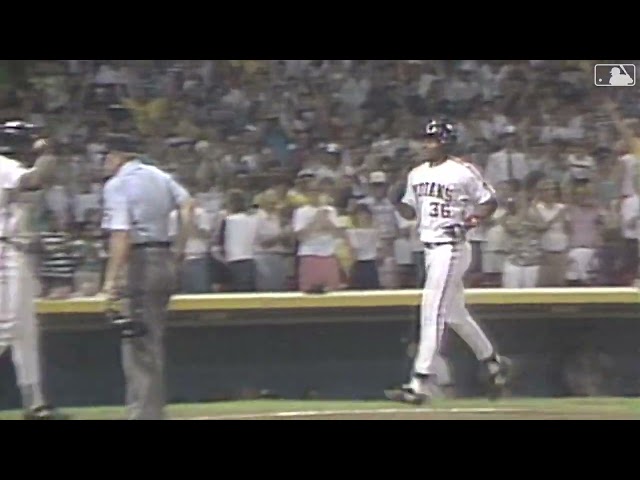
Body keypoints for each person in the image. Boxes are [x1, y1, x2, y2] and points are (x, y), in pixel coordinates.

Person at [385, 120, 511, 405]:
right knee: (455, 314)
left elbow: (489, 201)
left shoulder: (462, 170)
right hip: (430, 248)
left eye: (433, 140)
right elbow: (410, 213)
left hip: (451, 246)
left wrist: (472, 220)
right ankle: (493, 363)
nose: (426, 144)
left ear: (446, 142)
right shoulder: (416, 174)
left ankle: (419, 383)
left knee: (432, 311)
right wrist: (395, 199)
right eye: (426, 139)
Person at [101, 137, 194, 420]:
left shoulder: (118, 184)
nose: (105, 161)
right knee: (151, 342)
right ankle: (151, 413)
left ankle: (144, 416)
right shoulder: (159, 175)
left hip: (139, 264)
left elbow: (121, 235)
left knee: (138, 347)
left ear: (118, 155)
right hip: (163, 257)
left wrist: (110, 282)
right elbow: (189, 206)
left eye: (107, 156)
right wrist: (179, 247)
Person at [0, 123, 68, 419]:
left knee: (27, 331)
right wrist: (49, 150)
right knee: (10, 325)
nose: (31, 145)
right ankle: (35, 403)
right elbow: (38, 177)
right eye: (27, 141)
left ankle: (35, 403)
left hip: (18, 250)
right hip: (5, 251)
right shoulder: (4, 164)